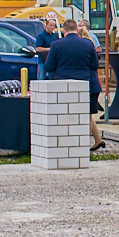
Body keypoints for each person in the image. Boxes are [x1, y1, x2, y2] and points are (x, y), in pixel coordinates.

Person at [44, 18, 104, 151]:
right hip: (84, 84)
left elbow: (48, 66)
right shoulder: (88, 44)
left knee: (65, 116)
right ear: (77, 29)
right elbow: (94, 65)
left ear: (64, 31)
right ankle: (83, 145)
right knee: (85, 115)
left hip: (62, 85)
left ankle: (65, 144)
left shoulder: (56, 44)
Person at [34, 14, 62, 81]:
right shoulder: (41, 36)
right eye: (51, 25)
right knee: (41, 78)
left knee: (52, 79)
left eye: (53, 26)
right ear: (46, 25)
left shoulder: (55, 36)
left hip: (52, 62)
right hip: (43, 61)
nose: (52, 27)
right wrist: (49, 49)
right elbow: (38, 49)